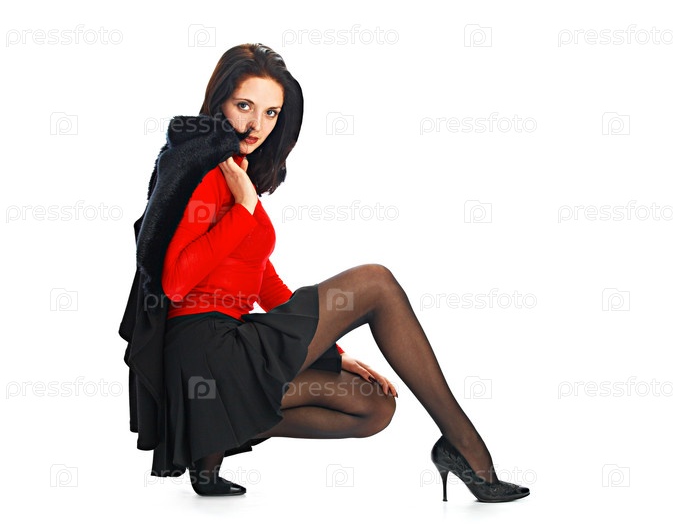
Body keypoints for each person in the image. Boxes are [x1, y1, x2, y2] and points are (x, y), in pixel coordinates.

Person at [138, 43, 529, 503]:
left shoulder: (235, 174)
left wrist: (331, 351)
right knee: (376, 283)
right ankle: (469, 451)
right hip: (206, 350)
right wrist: (244, 208)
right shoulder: (202, 173)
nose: (256, 125)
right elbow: (174, 282)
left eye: (270, 112)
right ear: (218, 103)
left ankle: (213, 437)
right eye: (244, 106)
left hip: (225, 355)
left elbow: (263, 281)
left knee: (374, 406)